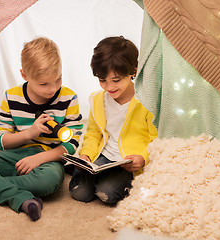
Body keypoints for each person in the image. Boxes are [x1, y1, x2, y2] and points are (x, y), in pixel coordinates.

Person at [0, 37, 83, 221]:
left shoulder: (68, 98)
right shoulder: (12, 97)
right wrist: (30, 133)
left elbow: (71, 145)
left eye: (58, 79)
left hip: (47, 160)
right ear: (24, 75)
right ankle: (20, 198)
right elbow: (1, 142)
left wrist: (38, 158)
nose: (53, 88)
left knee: (50, 181)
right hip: (15, 157)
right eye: (44, 84)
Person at [68, 36, 158, 205]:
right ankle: (91, 175)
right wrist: (86, 154)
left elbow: (156, 139)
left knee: (107, 193)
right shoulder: (97, 100)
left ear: (133, 71)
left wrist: (143, 158)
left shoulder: (145, 102)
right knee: (79, 193)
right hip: (103, 156)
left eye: (116, 80)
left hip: (127, 162)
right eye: (102, 80)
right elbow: (93, 134)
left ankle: (112, 183)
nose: (109, 87)